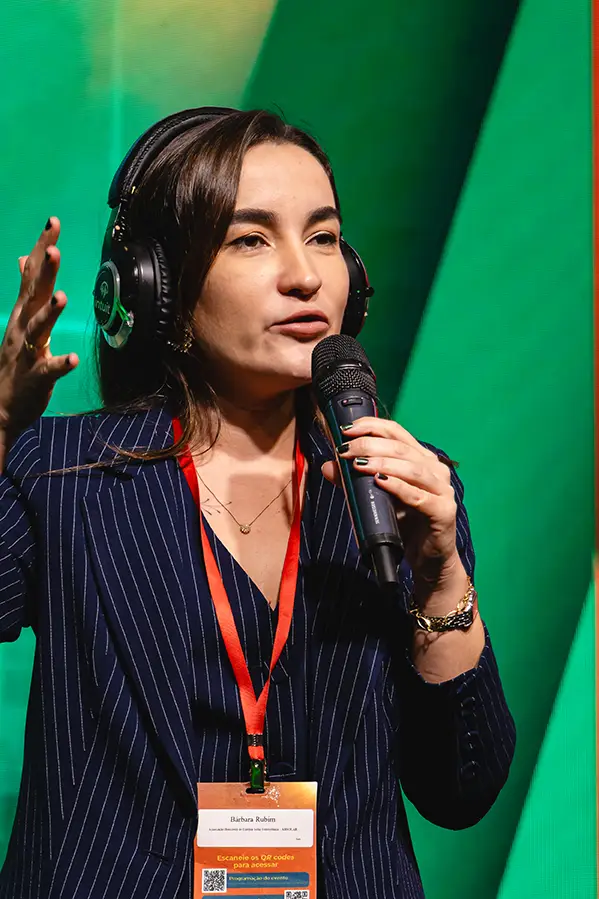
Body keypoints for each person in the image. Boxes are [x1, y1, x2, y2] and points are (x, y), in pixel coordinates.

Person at [0, 107, 515, 899]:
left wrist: (440, 574)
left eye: (322, 236)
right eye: (251, 240)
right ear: (158, 285)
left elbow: (461, 787)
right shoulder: (63, 475)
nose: (304, 275)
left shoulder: (404, 489)